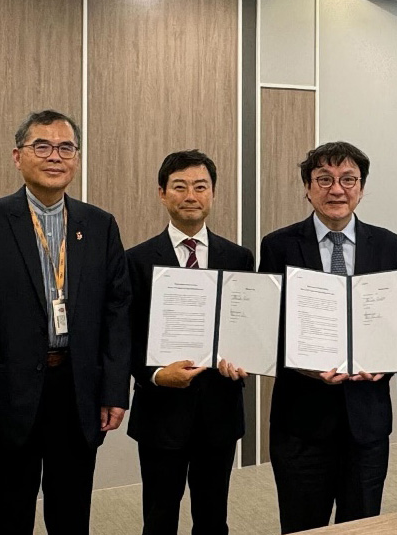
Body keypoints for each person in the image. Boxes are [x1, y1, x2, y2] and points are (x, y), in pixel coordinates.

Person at [0, 109, 131, 534]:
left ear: (77, 157)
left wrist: (113, 390)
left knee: (71, 516)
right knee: (4, 515)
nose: (55, 156)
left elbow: (117, 312)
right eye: (42, 146)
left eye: (66, 147)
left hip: (77, 392)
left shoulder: (99, 224)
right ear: (18, 156)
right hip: (5, 397)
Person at [259, 141, 397, 532]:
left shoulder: (391, 246)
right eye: (324, 179)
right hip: (301, 422)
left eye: (347, 179)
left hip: (367, 421)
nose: (336, 189)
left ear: (362, 187)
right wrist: (305, 367)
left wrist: (387, 364)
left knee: (361, 525)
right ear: (308, 188)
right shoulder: (278, 246)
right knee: (302, 524)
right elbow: (266, 328)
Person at [126, 150, 254, 535]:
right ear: (162, 194)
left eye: (201, 187)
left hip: (219, 409)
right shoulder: (136, 260)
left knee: (213, 518)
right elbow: (124, 336)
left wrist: (243, 358)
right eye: (179, 187)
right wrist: (154, 375)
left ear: (213, 194)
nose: (191, 196)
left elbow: (245, 328)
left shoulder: (239, 257)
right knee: (159, 518)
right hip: (161, 413)